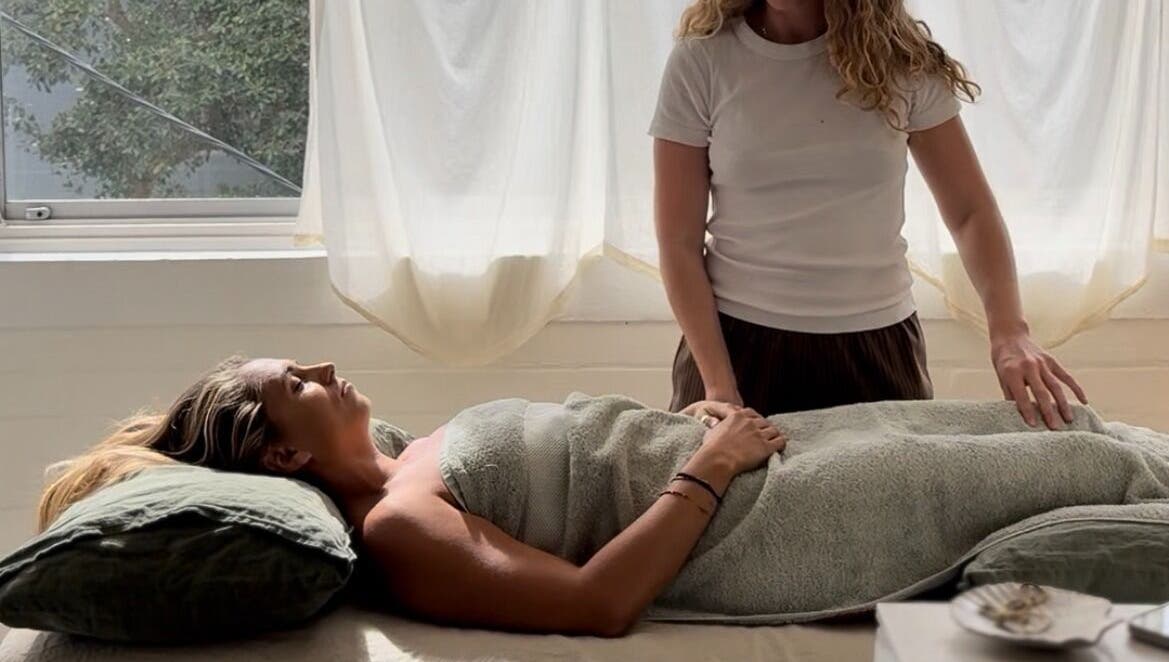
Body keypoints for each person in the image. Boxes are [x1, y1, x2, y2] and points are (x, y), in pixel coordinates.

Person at [38, 358, 1167, 638]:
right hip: (765, 513)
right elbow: (592, 602)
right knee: (1090, 475)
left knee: (1063, 425)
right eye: (295, 384)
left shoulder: (404, 450)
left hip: (769, 448)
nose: (324, 370)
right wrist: (710, 464)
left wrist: (709, 433)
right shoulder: (401, 526)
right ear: (278, 457)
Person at [651, 0, 1087, 427]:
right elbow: (678, 243)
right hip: (733, 349)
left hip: (877, 349)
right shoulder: (702, 59)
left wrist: (1009, 331)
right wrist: (720, 388)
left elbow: (970, 211)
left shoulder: (902, 61)